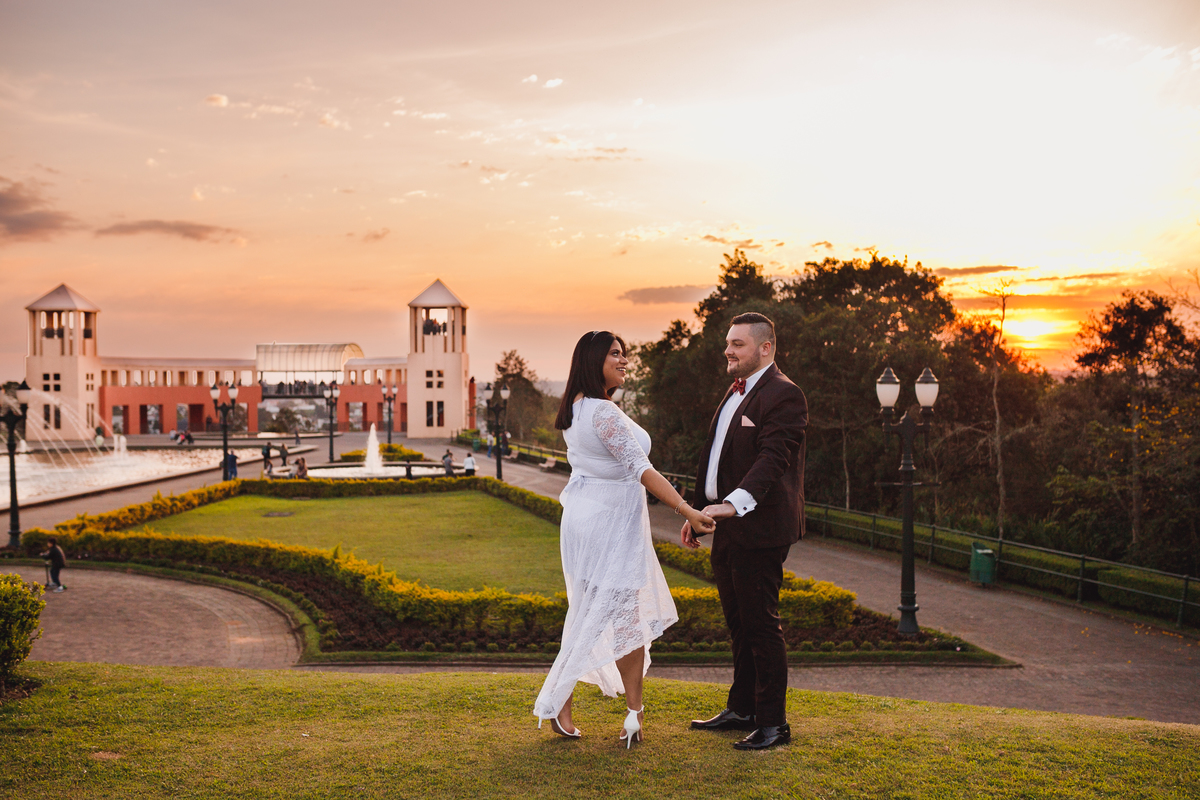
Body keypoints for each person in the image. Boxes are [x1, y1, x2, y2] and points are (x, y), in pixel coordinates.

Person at [534, 330, 716, 747]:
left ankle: (570, 705)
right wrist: (686, 510)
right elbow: (642, 469)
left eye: (625, 354)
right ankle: (631, 712)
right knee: (625, 619)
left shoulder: (577, 409)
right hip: (611, 525)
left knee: (590, 611)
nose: (624, 360)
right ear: (593, 360)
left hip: (585, 520)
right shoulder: (605, 413)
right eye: (615, 354)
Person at [682, 312, 808, 752]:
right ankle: (744, 709)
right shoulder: (734, 392)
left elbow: (773, 460)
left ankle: (774, 724)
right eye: (728, 343)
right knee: (738, 623)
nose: (728, 351)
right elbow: (715, 457)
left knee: (761, 625)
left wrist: (732, 505)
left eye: (737, 344)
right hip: (727, 526)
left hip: (761, 528)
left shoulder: (785, 395)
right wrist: (698, 511)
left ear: (765, 348)